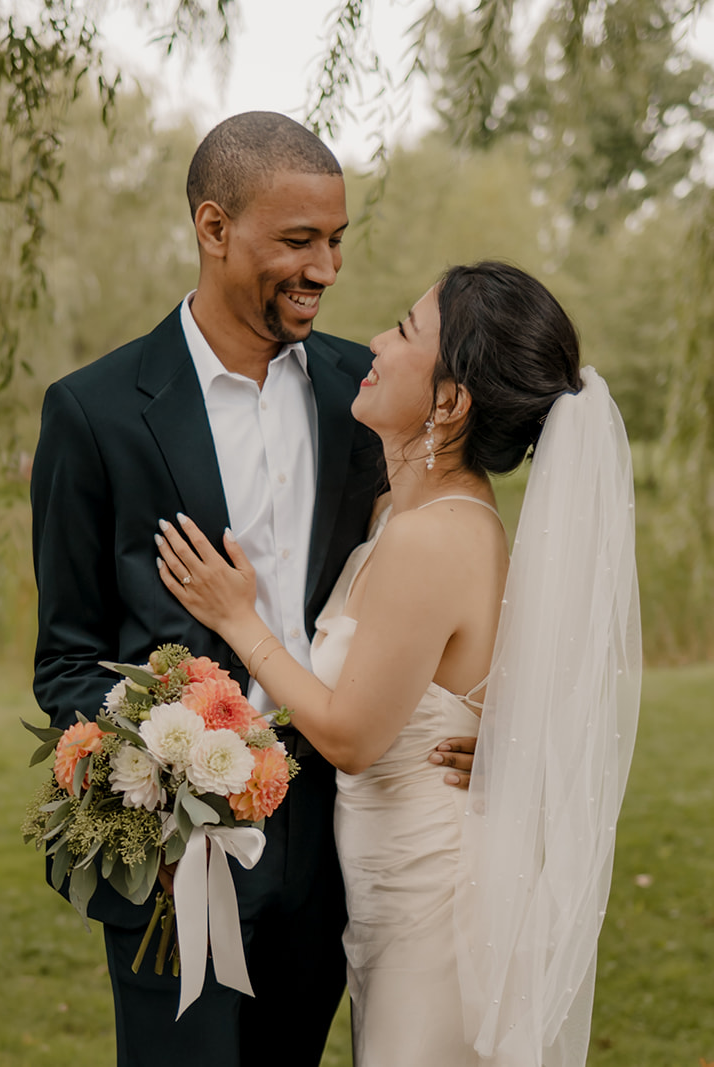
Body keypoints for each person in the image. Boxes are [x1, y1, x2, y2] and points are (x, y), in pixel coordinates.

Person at [29, 112, 477, 1066]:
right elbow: (65, 659)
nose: (327, 268)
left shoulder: (365, 390)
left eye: (337, 240)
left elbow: (462, 562)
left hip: (334, 847)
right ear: (214, 226)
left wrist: (500, 728)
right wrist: (157, 757)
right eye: (298, 241)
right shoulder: (94, 413)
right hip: (175, 864)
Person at [158, 261, 641, 1066]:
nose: (376, 341)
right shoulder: (405, 513)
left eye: (406, 331)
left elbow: (351, 735)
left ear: (449, 402)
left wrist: (239, 620)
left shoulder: (436, 538)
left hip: (435, 911)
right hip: (389, 896)